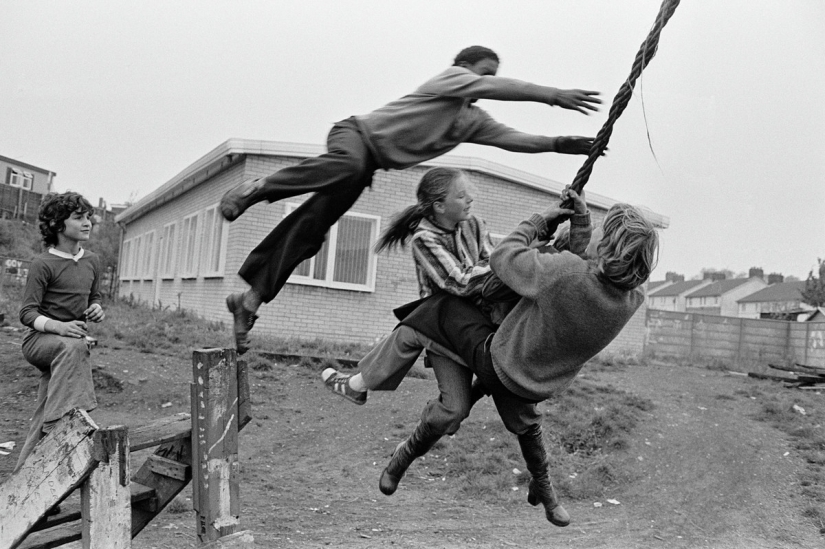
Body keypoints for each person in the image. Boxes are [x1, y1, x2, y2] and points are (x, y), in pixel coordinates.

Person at [220, 45, 602, 354]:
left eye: (490, 76)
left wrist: (558, 144)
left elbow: (515, 139)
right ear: (464, 68)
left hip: (363, 167)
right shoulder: (451, 80)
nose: (485, 82)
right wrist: (552, 96)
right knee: (348, 167)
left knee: (309, 231)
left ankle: (249, 303)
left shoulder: (472, 121)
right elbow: (492, 89)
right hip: (354, 137)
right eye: (482, 73)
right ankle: (259, 187)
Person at [348, 193, 658, 527]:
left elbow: (504, 258)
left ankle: (402, 453)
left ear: (609, 247)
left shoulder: (566, 274)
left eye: (599, 232)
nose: (592, 233)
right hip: (535, 385)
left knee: (439, 310)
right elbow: (588, 263)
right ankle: (545, 492)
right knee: (529, 429)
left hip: (497, 361)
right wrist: (581, 222)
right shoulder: (632, 299)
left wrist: (539, 221)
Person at [322, 167, 496, 434]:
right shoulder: (424, 239)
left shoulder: (475, 224)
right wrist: (507, 261)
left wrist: (508, 262)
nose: (470, 199)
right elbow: (460, 282)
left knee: (410, 329)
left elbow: (491, 260)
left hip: (476, 323)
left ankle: (356, 384)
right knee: (454, 410)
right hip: (441, 326)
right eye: (461, 196)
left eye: (469, 193)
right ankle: (362, 388)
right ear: (439, 205)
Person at [15, 192, 105, 472]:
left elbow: (95, 296)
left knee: (44, 409)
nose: (87, 222)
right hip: (40, 342)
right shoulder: (43, 263)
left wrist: (96, 308)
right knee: (75, 346)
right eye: (78, 217)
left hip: (69, 346)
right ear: (56, 224)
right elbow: (27, 314)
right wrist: (60, 327)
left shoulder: (92, 260)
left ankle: (22, 480)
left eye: (88, 217)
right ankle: (61, 424)